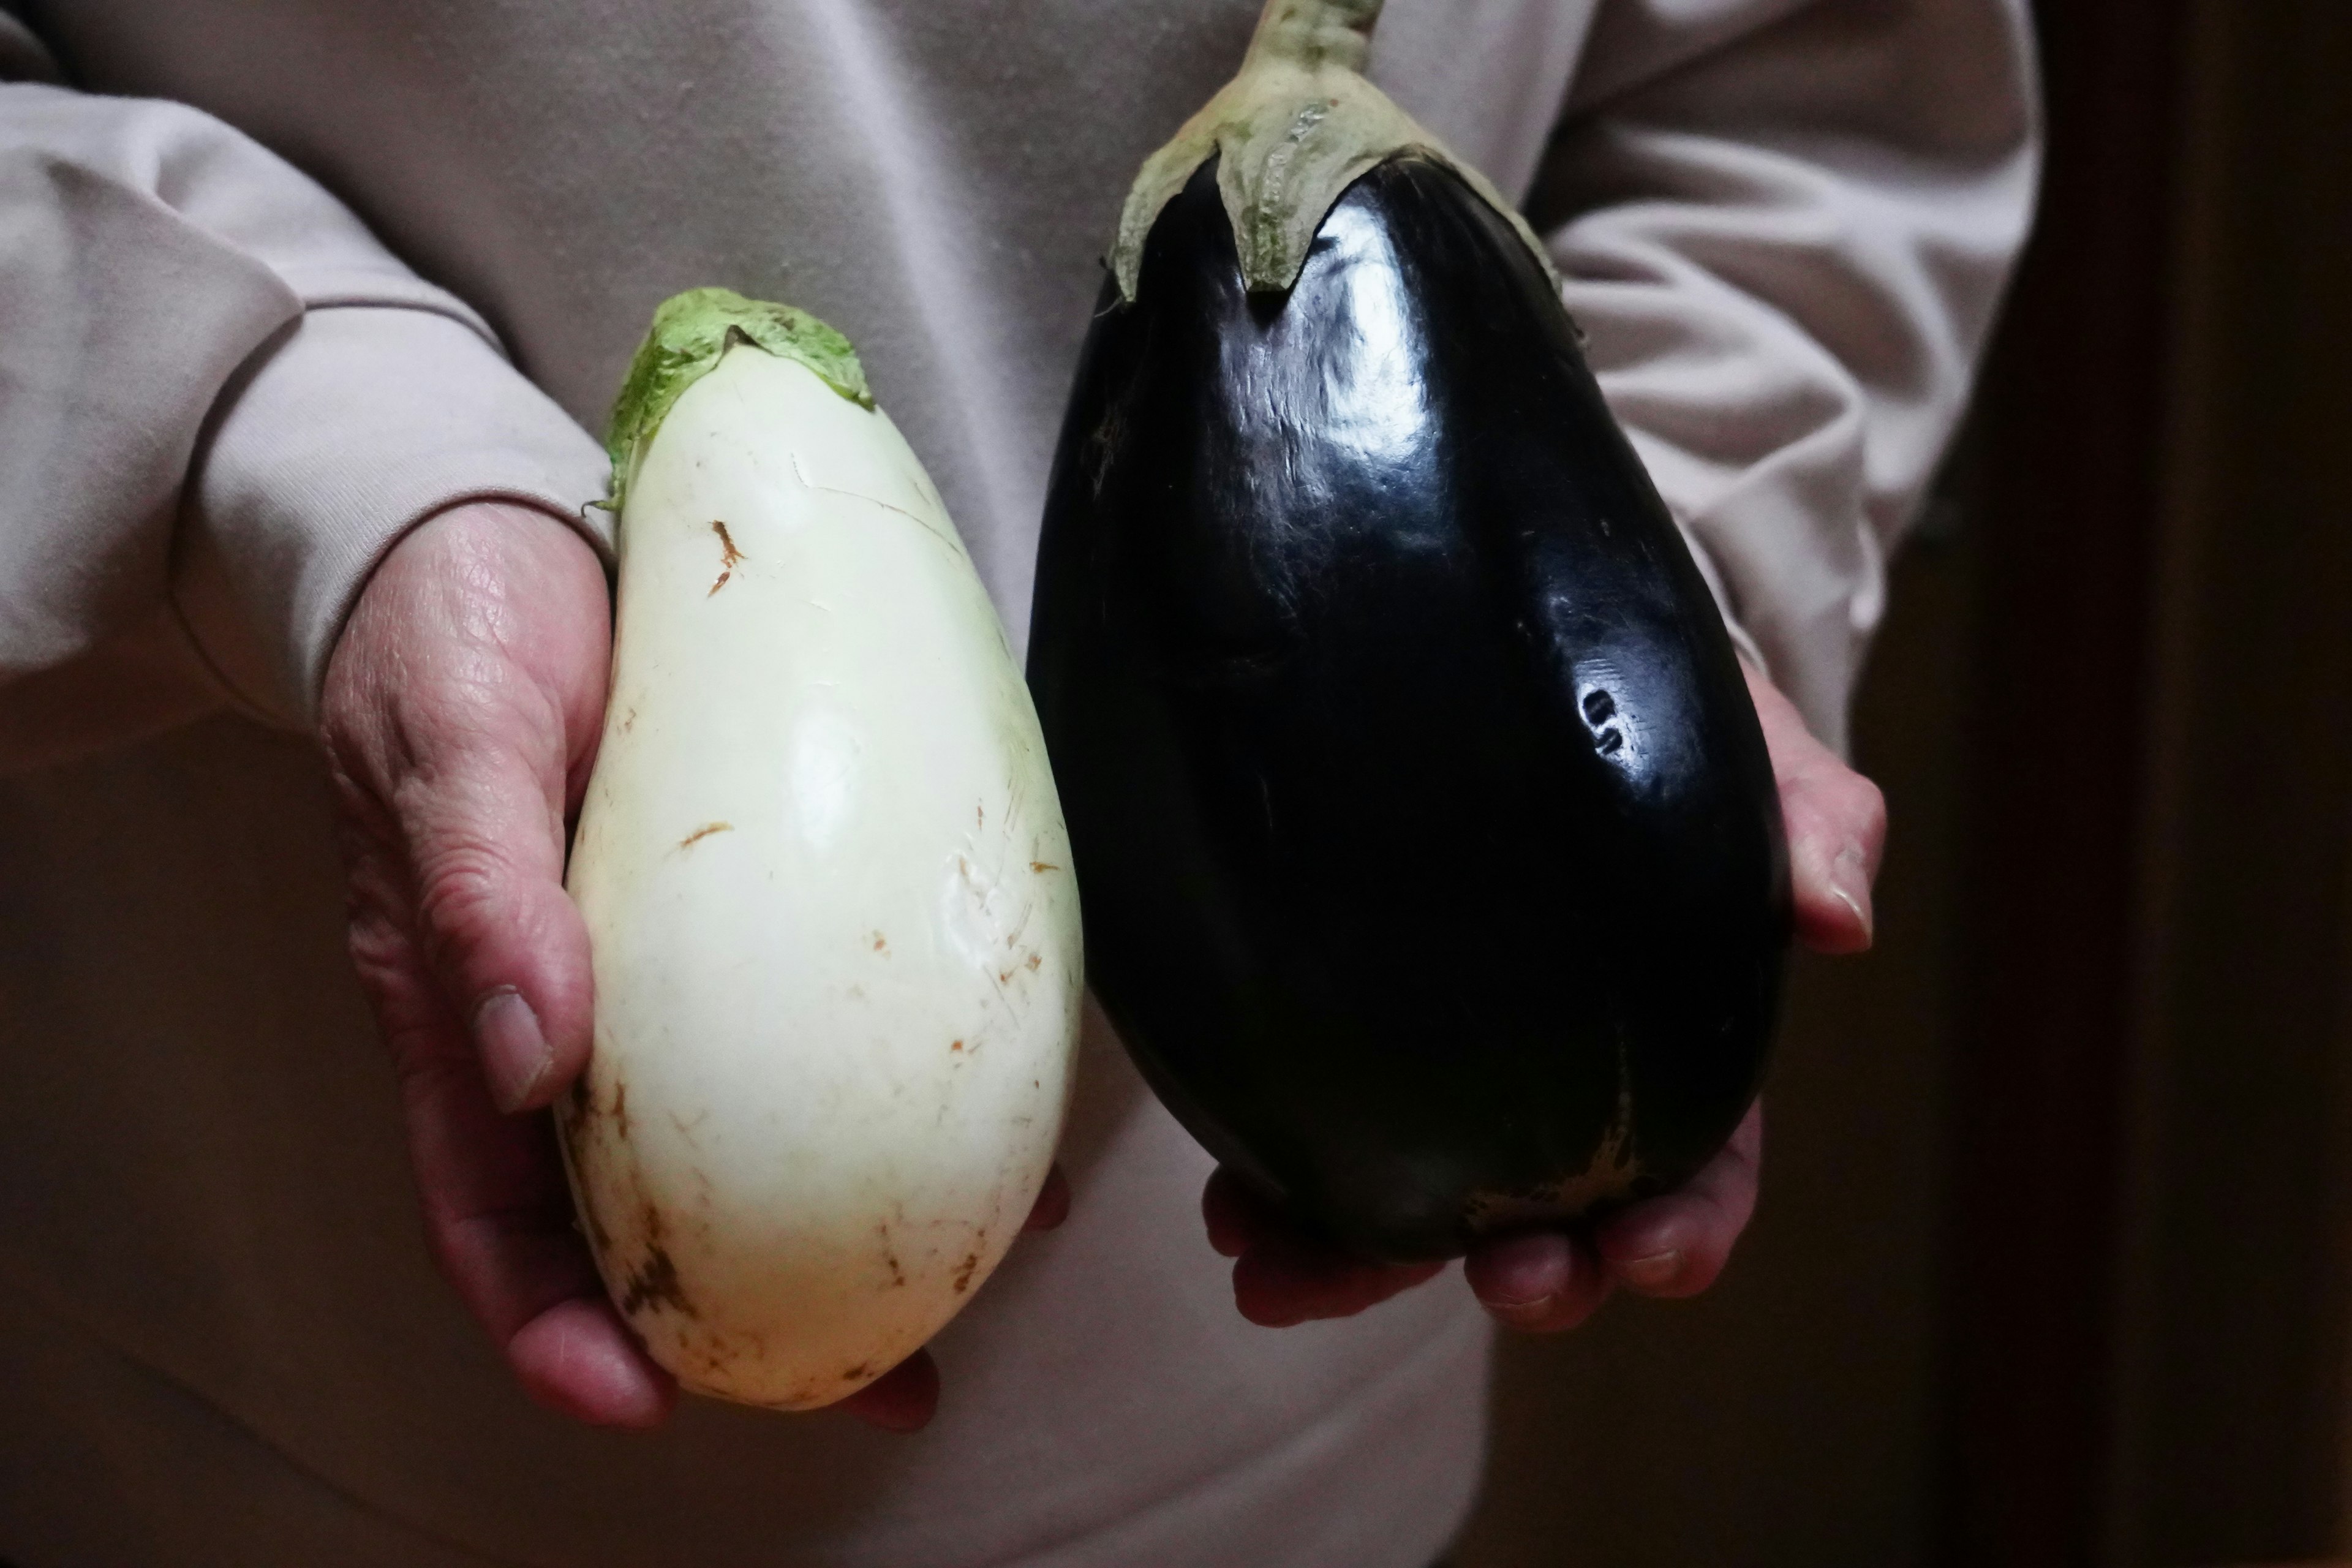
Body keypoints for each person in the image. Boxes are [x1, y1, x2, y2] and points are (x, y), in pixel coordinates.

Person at [0, 0, 2035, 1561]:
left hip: (1294, 1423)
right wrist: (304, 453)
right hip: (249, 1389)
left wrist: (1626, 573)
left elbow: (1802, 92)